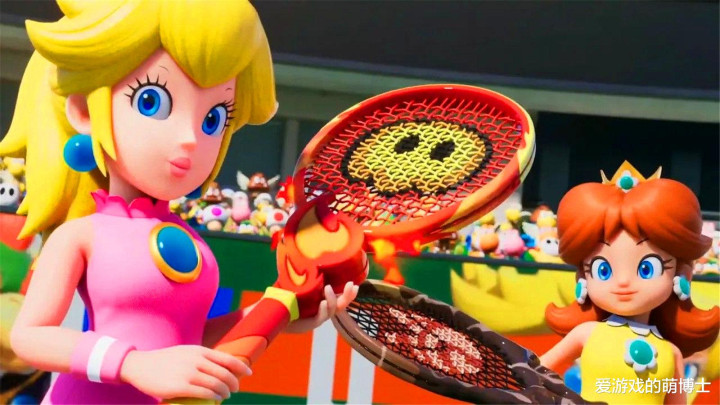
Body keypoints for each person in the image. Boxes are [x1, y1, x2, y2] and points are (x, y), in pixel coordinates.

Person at [2, 1, 357, 403]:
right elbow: (30, 336)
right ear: (85, 110)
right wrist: (133, 364)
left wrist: (281, 310)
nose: (190, 138)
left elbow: (189, 340)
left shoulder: (191, 240)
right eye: (151, 101)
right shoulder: (82, 235)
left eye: (214, 119)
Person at [540, 161, 719, 404]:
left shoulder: (671, 353)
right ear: (583, 278)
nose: (624, 282)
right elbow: (535, 371)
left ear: (682, 276)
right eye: (603, 270)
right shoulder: (587, 334)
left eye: (647, 268)